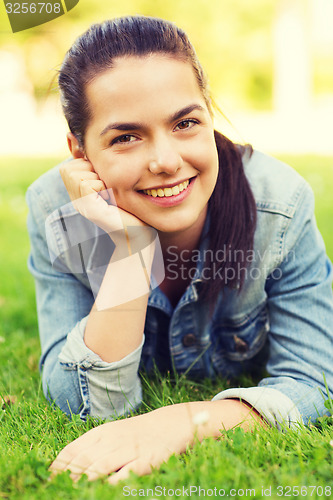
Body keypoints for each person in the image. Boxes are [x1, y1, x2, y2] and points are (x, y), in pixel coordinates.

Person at [26, 15, 333, 483]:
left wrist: (182, 422)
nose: (166, 161)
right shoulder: (54, 210)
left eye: (186, 122)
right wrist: (129, 251)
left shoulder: (281, 207)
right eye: (125, 137)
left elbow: (316, 382)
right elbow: (80, 402)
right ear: (80, 151)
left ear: (209, 115)